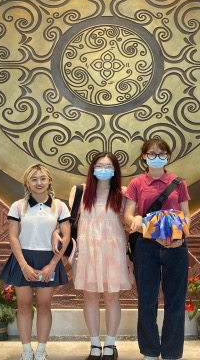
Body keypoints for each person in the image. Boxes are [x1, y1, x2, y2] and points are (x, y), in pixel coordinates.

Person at [124, 138, 191, 360]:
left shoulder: (178, 182)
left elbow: (186, 214)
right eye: (151, 154)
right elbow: (128, 216)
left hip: (176, 245)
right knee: (147, 300)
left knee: (175, 300)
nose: (157, 157)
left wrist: (179, 236)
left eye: (161, 154)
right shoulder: (136, 183)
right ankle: (150, 351)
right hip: (146, 246)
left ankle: (172, 352)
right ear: (144, 157)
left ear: (168, 156)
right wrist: (150, 230)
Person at [0, 164, 71, 360]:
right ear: (27, 183)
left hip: (48, 260)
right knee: (23, 305)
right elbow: (13, 237)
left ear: (49, 181)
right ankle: (26, 350)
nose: (39, 183)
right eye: (34, 179)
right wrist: (23, 265)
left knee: (44, 305)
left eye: (42, 178)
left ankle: (40, 350)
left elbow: (66, 236)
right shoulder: (18, 206)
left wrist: (52, 264)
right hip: (23, 259)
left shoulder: (60, 206)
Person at [71, 152, 131, 360]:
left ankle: (110, 344)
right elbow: (70, 220)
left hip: (113, 250)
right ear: (92, 168)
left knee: (112, 296)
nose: (103, 170)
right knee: (90, 296)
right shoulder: (79, 191)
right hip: (87, 249)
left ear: (115, 170)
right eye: (99, 166)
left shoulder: (122, 193)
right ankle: (95, 344)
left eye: (108, 166)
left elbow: (128, 220)